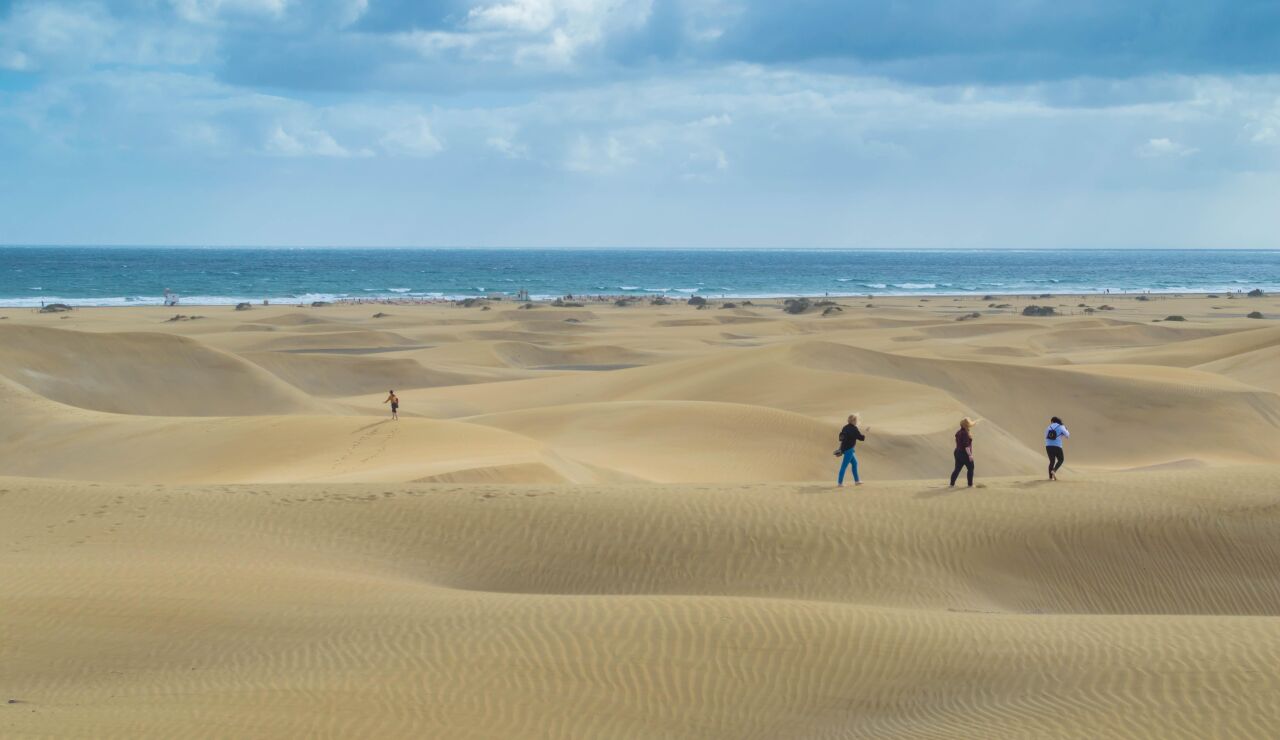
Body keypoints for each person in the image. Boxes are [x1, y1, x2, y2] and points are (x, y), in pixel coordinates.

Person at [834, 414, 869, 487]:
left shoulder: (845, 427)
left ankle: (857, 481)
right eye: (856, 420)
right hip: (849, 450)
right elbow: (861, 438)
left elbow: (842, 439)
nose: (857, 422)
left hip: (846, 449)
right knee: (844, 466)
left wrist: (841, 449)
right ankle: (840, 483)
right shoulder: (854, 429)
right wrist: (866, 432)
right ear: (853, 421)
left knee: (855, 463)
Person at [950, 417, 976, 487]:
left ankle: (952, 484)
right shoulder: (965, 433)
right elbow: (966, 445)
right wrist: (970, 455)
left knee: (957, 469)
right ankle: (970, 485)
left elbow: (957, 441)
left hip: (957, 452)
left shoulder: (958, 432)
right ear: (967, 425)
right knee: (971, 468)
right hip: (964, 453)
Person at [1045, 416, 1070, 480]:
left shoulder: (1048, 427)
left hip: (1048, 446)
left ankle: (1050, 478)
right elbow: (1067, 436)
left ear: (1052, 421)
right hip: (1057, 446)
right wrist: (1066, 430)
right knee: (1061, 459)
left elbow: (1046, 436)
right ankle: (1054, 470)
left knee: (1052, 461)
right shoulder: (1061, 427)